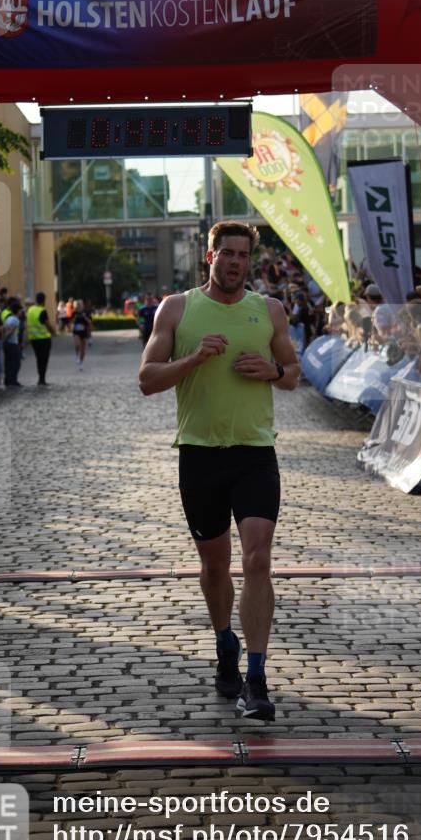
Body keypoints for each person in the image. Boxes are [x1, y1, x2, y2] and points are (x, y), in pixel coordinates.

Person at [139, 221, 300, 721]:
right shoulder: (177, 308)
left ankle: (256, 676)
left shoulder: (268, 310)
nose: (234, 262)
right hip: (200, 455)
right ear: (209, 256)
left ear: (250, 260)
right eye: (226, 253)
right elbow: (147, 379)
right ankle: (224, 642)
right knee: (214, 566)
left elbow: (294, 373)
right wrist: (193, 358)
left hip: (254, 453)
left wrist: (273, 372)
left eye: (243, 255)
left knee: (257, 561)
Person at [26, 292, 56, 385]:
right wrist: (53, 331)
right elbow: (47, 324)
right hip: (43, 339)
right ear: (43, 300)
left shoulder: (30, 310)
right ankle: (42, 379)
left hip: (33, 339)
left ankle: (41, 378)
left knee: (38, 359)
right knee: (44, 359)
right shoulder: (42, 311)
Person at [3, 300, 22, 386]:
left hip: (8, 344)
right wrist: (5, 339)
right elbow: (11, 331)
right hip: (13, 343)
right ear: (18, 310)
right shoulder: (16, 320)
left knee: (8, 362)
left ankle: (8, 379)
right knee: (16, 362)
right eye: (20, 310)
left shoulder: (9, 318)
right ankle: (13, 380)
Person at [71, 299, 92, 369]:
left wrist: (85, 317)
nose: (80, 306)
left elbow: (90, 322)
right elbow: (71, 321)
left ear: (83, 305)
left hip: (84, 332)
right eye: (78, 304)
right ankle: (77, 355)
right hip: (76, 332)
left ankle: (81, 363)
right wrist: (74, 318)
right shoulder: (74, 312)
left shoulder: (86, 312)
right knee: (78, 345)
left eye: (81, 304)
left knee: (83, 350)